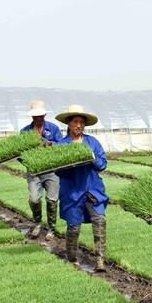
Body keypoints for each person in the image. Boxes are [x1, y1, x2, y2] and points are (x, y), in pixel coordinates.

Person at [54, 105, 108, 271]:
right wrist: (69, 162)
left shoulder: (92, 143)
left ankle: (100, 260)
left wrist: (91, 157)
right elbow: (56, 169)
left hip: (93, 191)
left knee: (99, 221)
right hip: (72, 192)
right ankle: (72, 258)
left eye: (82, 122)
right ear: (68, 124)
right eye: (75, 121)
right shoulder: (62, 145)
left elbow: (102, 164)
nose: (79, 125)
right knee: (74, 227)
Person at [21, 100, 63, 240]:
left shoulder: (53, 128)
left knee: (52, 200)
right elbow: (19, 153)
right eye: (35, 116)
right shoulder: (25, 132)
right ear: (32, 116)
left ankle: (51, 228)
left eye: (40, 115)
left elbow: (62, 146)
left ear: (44, 115)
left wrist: (49, 143)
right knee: (34, 199)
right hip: (34, 171)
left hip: (52, 170)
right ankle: (37, 222)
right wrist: (28, 162)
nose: (38, 118)